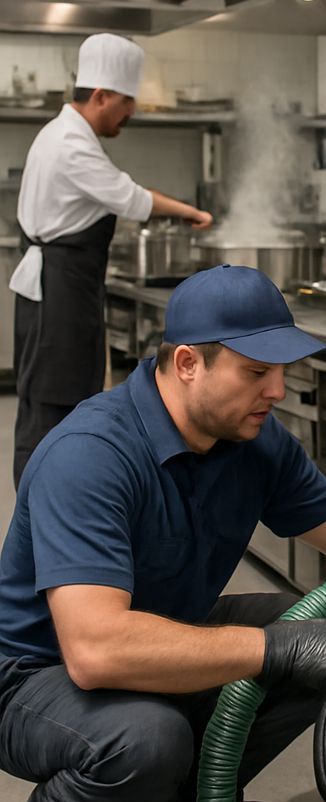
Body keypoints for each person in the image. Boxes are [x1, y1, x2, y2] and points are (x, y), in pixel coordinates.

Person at [0, 263, 326, 802]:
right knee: (150, 737)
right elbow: (96, 650)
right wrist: (275, 649)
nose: (275, 390)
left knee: (318, 628)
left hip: (162, 631)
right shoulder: (91, 455)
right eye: (255, 372)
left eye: (279, 370)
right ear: (188, 363)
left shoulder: (253, 437)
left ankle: (193, 801)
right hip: (38, 677)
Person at [9, 32, 214, 489]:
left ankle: (50, 512)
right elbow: (131, 198)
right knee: (53, 407)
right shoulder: (70, 143)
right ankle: (47, 519)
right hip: (58, 296)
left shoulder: (63, 132)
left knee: (54, 404)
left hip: (62, 291)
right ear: (100, 95)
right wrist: (193, 212)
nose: (132, 111)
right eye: (126, 100)